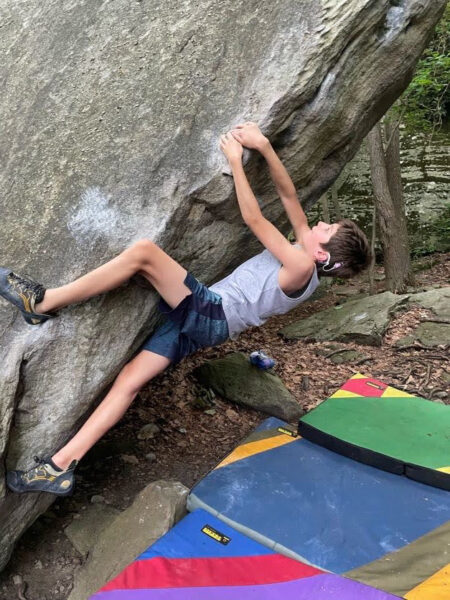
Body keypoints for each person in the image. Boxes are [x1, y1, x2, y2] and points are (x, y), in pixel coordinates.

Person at [1, 122, 370, 495]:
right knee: (130, 379)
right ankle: (60, 467)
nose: (320, 222)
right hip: (212, 326)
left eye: (326, 227)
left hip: (212, 314)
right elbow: (289, 197)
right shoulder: (308, 264)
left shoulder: (301, 266)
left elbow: (254, 219)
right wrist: (264, 147)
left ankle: (42, 301)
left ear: (321, 253)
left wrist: (236, 163)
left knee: (145, 253)